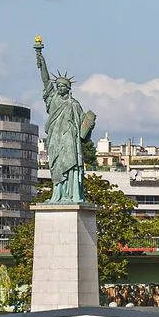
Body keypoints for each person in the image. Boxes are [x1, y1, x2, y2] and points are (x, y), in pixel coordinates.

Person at [34, 37, 96, 205]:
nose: (60, 88)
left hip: (69, 139)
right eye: (59, 86)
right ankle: (58, 194)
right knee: (55, 166)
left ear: (68, 89)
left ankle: (72, 194)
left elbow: (84, 127)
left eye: (63, 86)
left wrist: (89, 124)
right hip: (55, 138)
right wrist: (40, 57)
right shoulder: (52, 97)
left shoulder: (74, 104)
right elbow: (46, 79)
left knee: (70, 166)